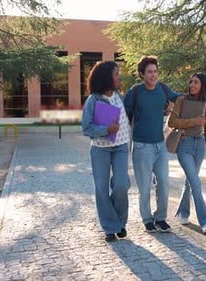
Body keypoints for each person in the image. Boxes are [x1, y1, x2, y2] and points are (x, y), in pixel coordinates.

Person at [123, 55, 180, 233]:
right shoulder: (135, 92)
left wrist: (200, 97)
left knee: (163, 183)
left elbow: (179, 98)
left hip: (160, 146)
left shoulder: (163, 89)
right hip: (141, 147)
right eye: (149, 72)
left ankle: (161, 218)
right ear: (142, 74)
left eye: (155, 71)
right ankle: (147, 219)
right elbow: (122, 115)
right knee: (145, 187)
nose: (153, 75)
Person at [81, 61, 131, 242]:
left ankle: (120, 221)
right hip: (100, 150)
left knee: (121, 185)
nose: (119, 78)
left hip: (121, 147)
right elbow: (86, 128)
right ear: (106, 77)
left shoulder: (120, 96)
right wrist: (106, 130)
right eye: (116, 74)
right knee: (101, 188)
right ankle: (111, 227)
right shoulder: (93, 100)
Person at [168, 73, 206, 234]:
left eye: (196, 82)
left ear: (202, 84)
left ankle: (183, 212)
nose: (192, 85)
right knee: (196, 183)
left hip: (200, 144)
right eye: (191, 82)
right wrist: (193, 122)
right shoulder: (182, 100)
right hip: (184, 144)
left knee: (190, 181)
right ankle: (205, 220)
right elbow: (172, 122)